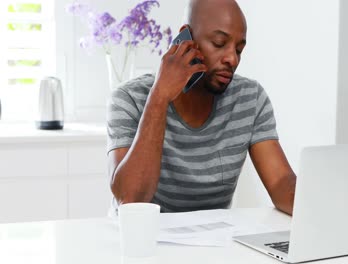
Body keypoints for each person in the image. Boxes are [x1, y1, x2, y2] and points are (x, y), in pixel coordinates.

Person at [107, 0, 296, 215]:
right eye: (218, 43)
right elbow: (131, 199)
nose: (232, 59)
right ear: (186, 39)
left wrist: (321, 206)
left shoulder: (250, 98)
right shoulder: (129, 98)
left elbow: (281, 182)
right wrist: (159, 97)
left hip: (213, 242)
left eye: (239, 49)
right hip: (143, 242)